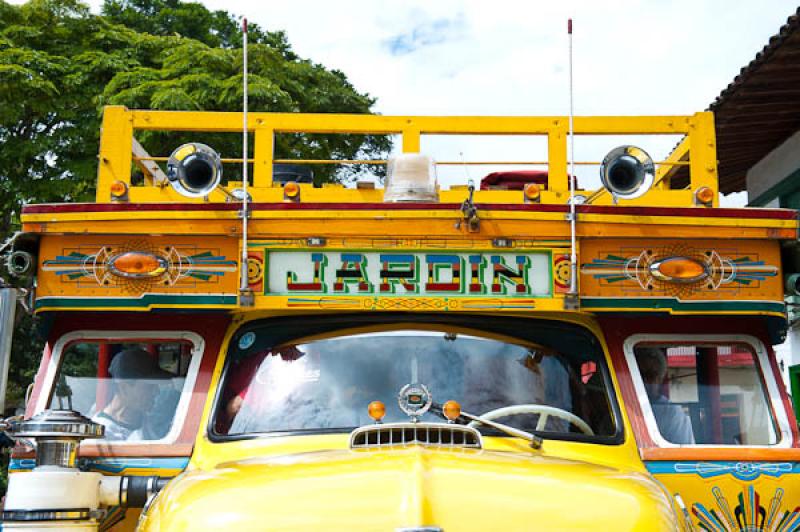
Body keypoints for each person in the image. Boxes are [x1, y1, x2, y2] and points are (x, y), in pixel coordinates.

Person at [91, 347, 170, 441]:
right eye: (149, 386)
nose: (156, 392)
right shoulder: (100, 436)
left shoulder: (153, 424)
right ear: (124, 387)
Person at [635, 346, 695, 444]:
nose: (644, 380)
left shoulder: (672, 413)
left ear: (660, 379)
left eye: (650, 375)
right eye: (640, 374)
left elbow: (684, 452)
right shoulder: (619, 405)